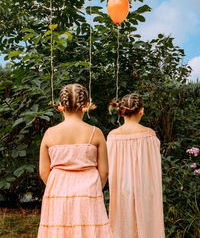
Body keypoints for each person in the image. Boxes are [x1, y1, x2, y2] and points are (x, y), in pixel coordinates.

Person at [37, 83, 113, 238]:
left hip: (58, 192)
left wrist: (59, 187)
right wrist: (93, 190)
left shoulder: (50, 134)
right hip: (89, 191)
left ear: (61, 105)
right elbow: (104, 172)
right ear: (85, 105)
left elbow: (44, 172)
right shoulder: (95, 133)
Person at [107, 93, 165, 238]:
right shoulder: (150, 136)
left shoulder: (113, 137)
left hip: (120, 188)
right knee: (148, 226)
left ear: (121, 111)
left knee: (122, 225)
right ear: (141, 111)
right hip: (146, 189)